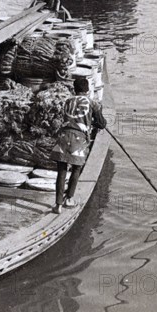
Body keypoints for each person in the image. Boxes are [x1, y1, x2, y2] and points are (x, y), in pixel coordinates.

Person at [51, 78, 107, 214]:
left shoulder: (68, 101)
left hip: (63, 137)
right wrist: (92, 122)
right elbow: (102, 124)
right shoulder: (93, 104)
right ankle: (69, 198)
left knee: (62, 170)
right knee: (76, 168)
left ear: (74, 89)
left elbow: (69, 117)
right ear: (87, 90)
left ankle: (57, 204)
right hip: (79, 139)